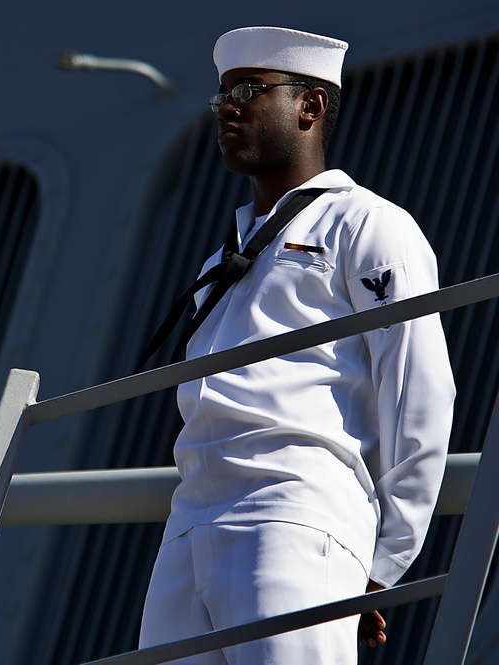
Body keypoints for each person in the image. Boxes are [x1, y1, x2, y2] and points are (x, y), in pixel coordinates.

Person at [136, 27, 456, 664]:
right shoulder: (221, 259)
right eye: (221, 95)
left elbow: (418, 390)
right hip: (191, 519)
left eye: (250, 90)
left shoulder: (367, 224)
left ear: (310, 107)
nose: (228, 107)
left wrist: (382, 561)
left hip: (294, 505)